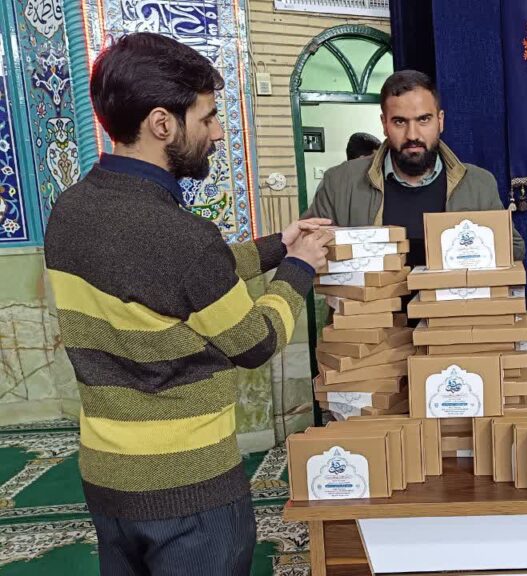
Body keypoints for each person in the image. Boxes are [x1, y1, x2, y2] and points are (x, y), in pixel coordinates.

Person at [43, 32, 331, 575]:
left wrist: (278, 245)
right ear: (162, 124)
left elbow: (168, 280)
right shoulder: (180, 235)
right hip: (189, 492)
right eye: (208, 117)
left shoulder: (71, 209)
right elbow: (255, 343)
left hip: (107, 480)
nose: (218, 132)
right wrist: (300, 267)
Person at [305, 70, 525, 267]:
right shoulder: (339, 182)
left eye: (423, 120)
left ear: (440, 121)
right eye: (400, 122)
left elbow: (514, 249)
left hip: (454, 301)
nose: (412, 135)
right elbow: (304, 250)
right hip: (368, 302)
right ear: (384, 124)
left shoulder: (478, 183)